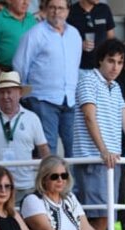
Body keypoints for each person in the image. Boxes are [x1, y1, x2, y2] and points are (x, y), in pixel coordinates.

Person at [73, 39, 125, 230]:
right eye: (111, 61)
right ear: (100, 60)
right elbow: (89, 117)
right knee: (98, 218)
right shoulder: (88, 80)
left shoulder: (116, 87)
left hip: (111, 161)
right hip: (94, 159)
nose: (115, 67)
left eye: (120, 62)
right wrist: (104, 151)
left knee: (107, 217)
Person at [13, 0, 83, 155]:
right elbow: (19, 64)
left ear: (68, 11)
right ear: (45, 9)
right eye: (52, 7)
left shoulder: (74, 34)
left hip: (69, 99)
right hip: (42, 99)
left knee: (73, 148)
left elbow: (75, 64)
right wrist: (26, 93)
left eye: (60, 8)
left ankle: (69, 173)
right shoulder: (35, 33)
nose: (56, 12)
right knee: (47, 149)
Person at [0, 0, 35, 79]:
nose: (26, 3)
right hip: (5, 71)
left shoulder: (31, 19)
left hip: (28, 72)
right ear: (9, 1)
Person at [69, 0, 118, 70]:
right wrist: (79, 45)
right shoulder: (71, 11)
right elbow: (64, 41)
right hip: (79, 66)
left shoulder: (104, 9)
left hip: (101, 66)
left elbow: (111, 38)